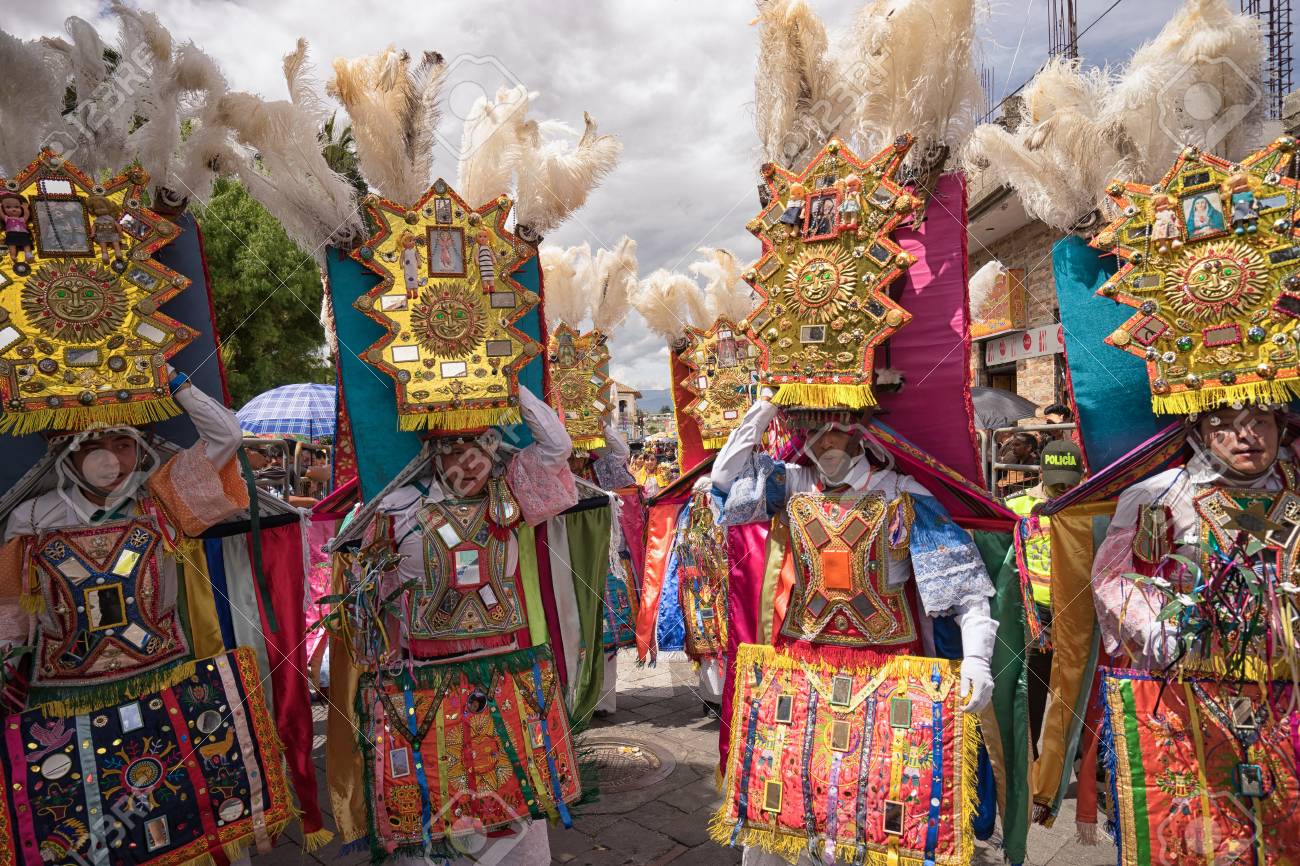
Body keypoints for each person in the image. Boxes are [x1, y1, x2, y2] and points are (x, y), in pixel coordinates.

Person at [711, 395, 997, 866]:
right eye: (815, 430)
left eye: (837, 427)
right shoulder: (792, 485)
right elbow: (723, 485)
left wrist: (978, 659)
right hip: (801, 668)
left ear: (863, 431)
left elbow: (963, 587)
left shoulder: (903, 494)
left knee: (877, 801)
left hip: (887, 673)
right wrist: (763, 408)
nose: (826, 440)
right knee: (793, 795)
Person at [364, 385, 575, 866]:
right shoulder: (396, 508)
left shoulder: (513, 493)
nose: (469, 462)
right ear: (432, 453)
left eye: (479, 446)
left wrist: (505, 383)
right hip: (425, 681)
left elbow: (557, 447)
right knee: (434, 813)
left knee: (515, 807)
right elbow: (376, 602)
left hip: (502, 673)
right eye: (455, 450)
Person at [1004, 439, 1083, 757]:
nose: (1062, 488)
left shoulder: (1084, 505)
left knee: (1075, 691)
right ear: (1040, 472)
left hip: (1076, 607)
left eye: (1069, 481)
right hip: (1034, 612)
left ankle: (1080, 766)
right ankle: (1030, 762)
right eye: (1056, 481)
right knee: (1032, 688)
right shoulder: (1016, 506)